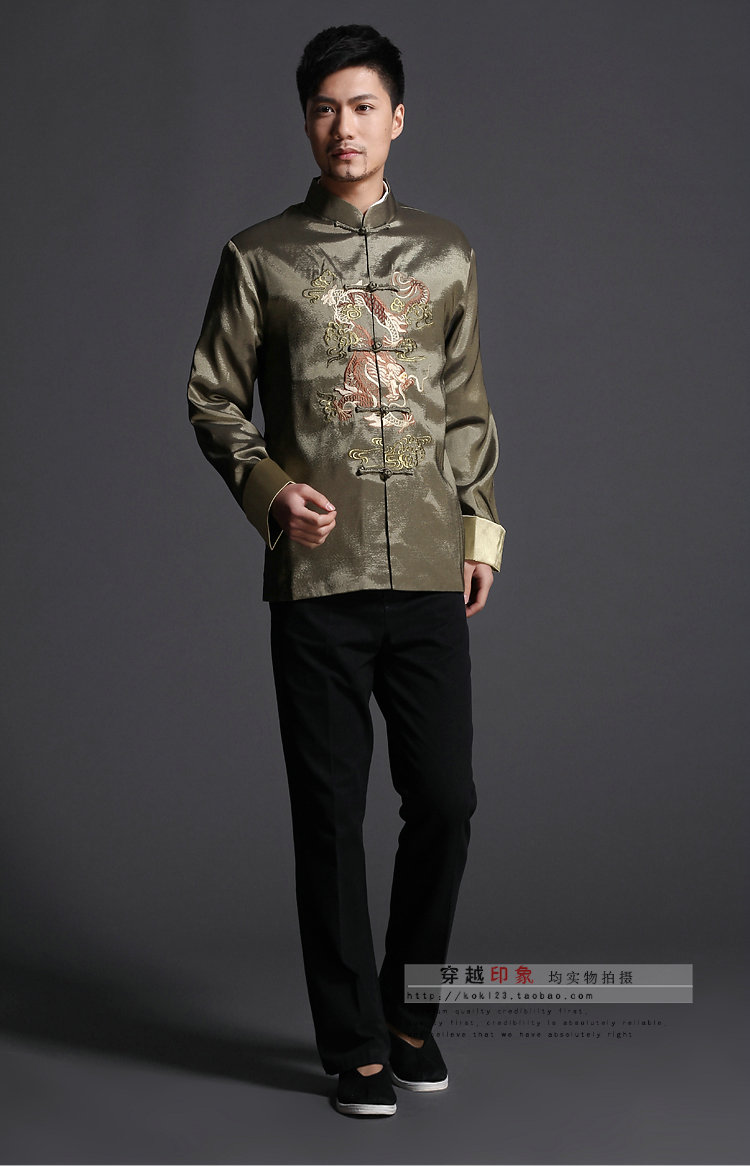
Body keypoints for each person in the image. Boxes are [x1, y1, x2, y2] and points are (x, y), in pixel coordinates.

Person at [187, 23, 505, 1118]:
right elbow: (213, 397)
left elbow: (467, 408)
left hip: (427, 571)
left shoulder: (448, 253)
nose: (344, 126)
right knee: (329, 818)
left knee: (447, 800)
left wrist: (479, 532)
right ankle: (355, 1045)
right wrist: (271, 490)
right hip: (318, 580)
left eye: (363, 106)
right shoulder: (259, 256)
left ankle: (409, 1013)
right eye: (325, 107)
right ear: (306, 121)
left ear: (397, 118)